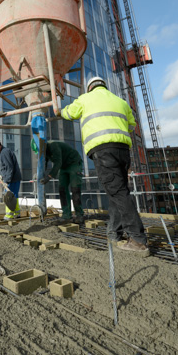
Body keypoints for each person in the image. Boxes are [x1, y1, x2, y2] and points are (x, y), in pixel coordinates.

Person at [61, 76, 149, 256]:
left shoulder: (85, 99)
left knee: (118, 192)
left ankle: (138, 240)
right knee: (118, 191)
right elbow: (132, 126)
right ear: (104, 86)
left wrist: (57, 110)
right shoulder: (121, 102)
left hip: (103, 150)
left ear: (89, 88)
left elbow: (68, 113)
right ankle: (114, 233)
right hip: (123, 150)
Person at [33, 140, 84, 224]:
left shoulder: (53, 146)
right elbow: (44, 163)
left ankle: (79, 215)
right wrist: (40, 175)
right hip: (63, 166)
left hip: (74, 163)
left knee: (75, 189)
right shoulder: (44, 152)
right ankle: (66, 215)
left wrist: (49, 177)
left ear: (42, 147)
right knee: (62, 189)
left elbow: (58, 163)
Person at [0, 137, 21, 220]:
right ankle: (17, 213)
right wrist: (1, 175)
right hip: (14, 178)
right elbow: (6, 168)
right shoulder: (3, 152)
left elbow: (9, 168)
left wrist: (6, 180)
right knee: (14, 195)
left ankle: (9, 215)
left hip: (12, 179)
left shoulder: (4, 152)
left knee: (9, 197)